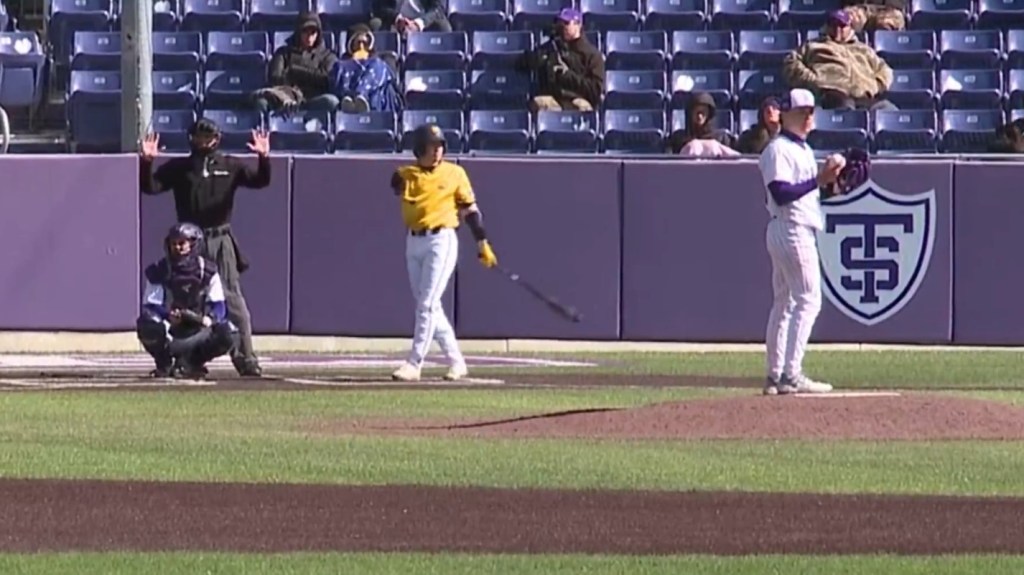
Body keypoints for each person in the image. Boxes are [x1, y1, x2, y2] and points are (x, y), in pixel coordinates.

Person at [139, 118, 271, 378]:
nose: (204, 141)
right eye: (199, 136)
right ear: (191, 139)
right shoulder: (181, 167)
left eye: (208, 136)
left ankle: (246, 358)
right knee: (183, 294)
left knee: (232, 298)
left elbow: (260, 181)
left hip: (220, 237)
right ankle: (178, 357)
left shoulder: (230, 165)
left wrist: (264, 157)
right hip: (190, 239)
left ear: (217, 139)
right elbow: (150, 187)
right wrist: (146, 162)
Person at [388, 124, 498, 382]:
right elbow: (396, 185)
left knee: (426, 304)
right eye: (431, 147)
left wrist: (482, 242)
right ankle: (457, 361)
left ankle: (414, 363)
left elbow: (470, 210)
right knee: (429, 306)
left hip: (441, 239)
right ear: (419, 149)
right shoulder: (406, 174)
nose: (436, 152)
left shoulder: (454, 173)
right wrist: (404, 180)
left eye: (439, 146)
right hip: (413, 240)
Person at [759, 88, 843, 396]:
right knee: (809, 300)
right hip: (790, 227)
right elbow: (782, 193)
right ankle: (790, 374)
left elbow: (810, 193)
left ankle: (775, 374)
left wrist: (834, 184)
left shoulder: (804, 149)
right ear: (786, 114)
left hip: (792, 227)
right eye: (802, 111)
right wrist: (819, 180)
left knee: (785, 303)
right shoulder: (778, 149)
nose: (809, 116)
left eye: (811, 111)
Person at [137, 223, 238, 379]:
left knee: (229, 331)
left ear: (193, 244)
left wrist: (210, 318)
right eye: (174, 243)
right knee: (147, 322)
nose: (177, 247)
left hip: (198, 330)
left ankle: (192, 363)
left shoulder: (208, 270)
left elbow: (219, 305)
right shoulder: (160, 270)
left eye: (182, 243)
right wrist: (168, 315)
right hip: (170, 330)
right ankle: (164, 362)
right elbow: (151, 305)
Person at [782, 10, 896, 111]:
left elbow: (884, 69)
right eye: (833, 25)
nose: (837, 29)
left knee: (888, 109)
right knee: (845, 108)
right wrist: (813, 80)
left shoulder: (864, 49)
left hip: (864, 95)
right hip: (832, 94)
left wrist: (875, 85)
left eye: (842, 26)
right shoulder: (813, 45)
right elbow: (790, 62)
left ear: (850, 27)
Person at [516, 8, 605, 112]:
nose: (563, 27)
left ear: (578, 25)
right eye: (560, 24)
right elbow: (522, 63)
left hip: (578, 98)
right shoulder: (551, 47)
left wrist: (568, 75)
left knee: (582, 107)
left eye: (567, 23)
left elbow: (595, 90)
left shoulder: (591, 54)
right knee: (539, 102)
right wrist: (540, 58)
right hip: (554, 98)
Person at [253, 11, 340, 116]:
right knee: (261, 102)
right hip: (285, 98)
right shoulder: (283, 52)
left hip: (312, 100)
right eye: (305, 31)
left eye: (313, 32)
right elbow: (275, 77)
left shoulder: (327, 56)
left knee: (331, 101)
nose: (309, 37)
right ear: (299, 32)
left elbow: (326, 79)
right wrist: (309, 77)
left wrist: (294, 71)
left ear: (318, 33)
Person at [330, 23, 403, 114]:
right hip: (349, 95)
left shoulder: (378, 61)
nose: (361, 46)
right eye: (358, 43)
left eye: (364, 43)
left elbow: (388, 77)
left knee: (378, 68)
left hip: (373, 94)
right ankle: (350, 102)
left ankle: (361, 94)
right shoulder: (342, 63)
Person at [668, 91, 736, 154]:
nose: (699, 116)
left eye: (703, 112)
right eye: (696, 112)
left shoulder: (722, 138)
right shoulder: (678, 138)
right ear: (690, 113)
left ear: (709, 114)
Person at [369, 0, 452, 34]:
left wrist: (418, 23)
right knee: (375, 24)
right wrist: (397, 19)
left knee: (443, 27)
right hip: (394, 20)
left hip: (422, 19)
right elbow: (378, 6)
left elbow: (438, 8)